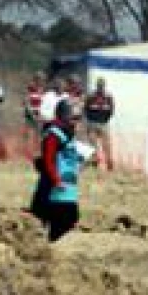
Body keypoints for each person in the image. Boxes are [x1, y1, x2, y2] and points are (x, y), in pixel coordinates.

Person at [32, 98, 85, 242]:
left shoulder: (68, 132)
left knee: (69, 219)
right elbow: (49, 160)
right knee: (58, 221)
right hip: (54, 187)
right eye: (73, 117)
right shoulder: (54, 133)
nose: (76, 120)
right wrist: (56, 180)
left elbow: (70, 156)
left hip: (67, 187)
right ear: (63, 115)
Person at [83, 77, 115, 171]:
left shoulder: (108, 97)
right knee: (93, 146)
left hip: (104, 124)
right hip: (92, 124)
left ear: (104, 86)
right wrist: (90, 120)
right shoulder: (91, 96)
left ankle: (109, 165)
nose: (100, 87)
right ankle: (95, 163)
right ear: (97, 86)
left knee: (106, 146)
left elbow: (111, 110)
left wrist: (105, 119)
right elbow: (86, 109)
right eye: (99, 85)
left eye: (102, 86)